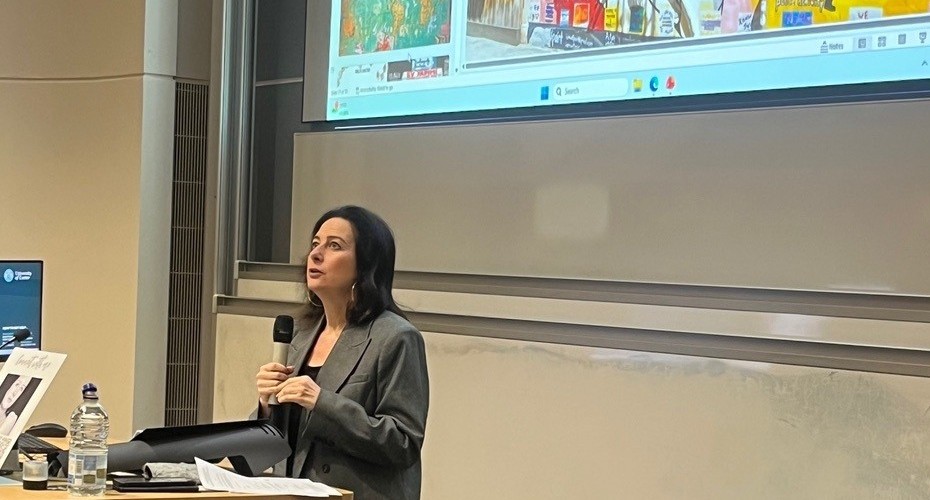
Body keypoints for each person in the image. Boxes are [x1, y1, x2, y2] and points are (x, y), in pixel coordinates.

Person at [255, 206, 429, 500]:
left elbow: (403, 443)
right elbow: (280, 443)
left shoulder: (396, 338)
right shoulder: (299, 336)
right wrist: (266, 405)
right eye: (315, 244)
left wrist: (322, 402)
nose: (316, 254)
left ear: (365, 266)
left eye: (334, 246)